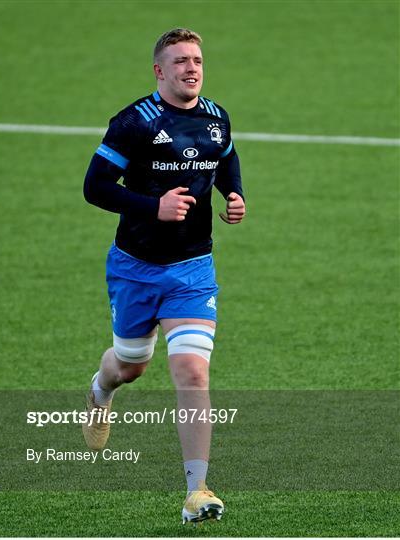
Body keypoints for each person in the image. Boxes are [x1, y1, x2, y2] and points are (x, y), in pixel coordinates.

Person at [82, 28, 245, 524]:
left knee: (193, 371)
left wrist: (233, 194)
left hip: (192, 269)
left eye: (196, 60)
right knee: (130, 365)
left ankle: (197, 491)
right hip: (135, 268)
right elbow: (95, 187)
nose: (190, 68)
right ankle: (100, 391)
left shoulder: (216, 118)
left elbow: (226, 157)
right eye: (179, 61)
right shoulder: (134, 122)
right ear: (159, 70)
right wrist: (154, 206)